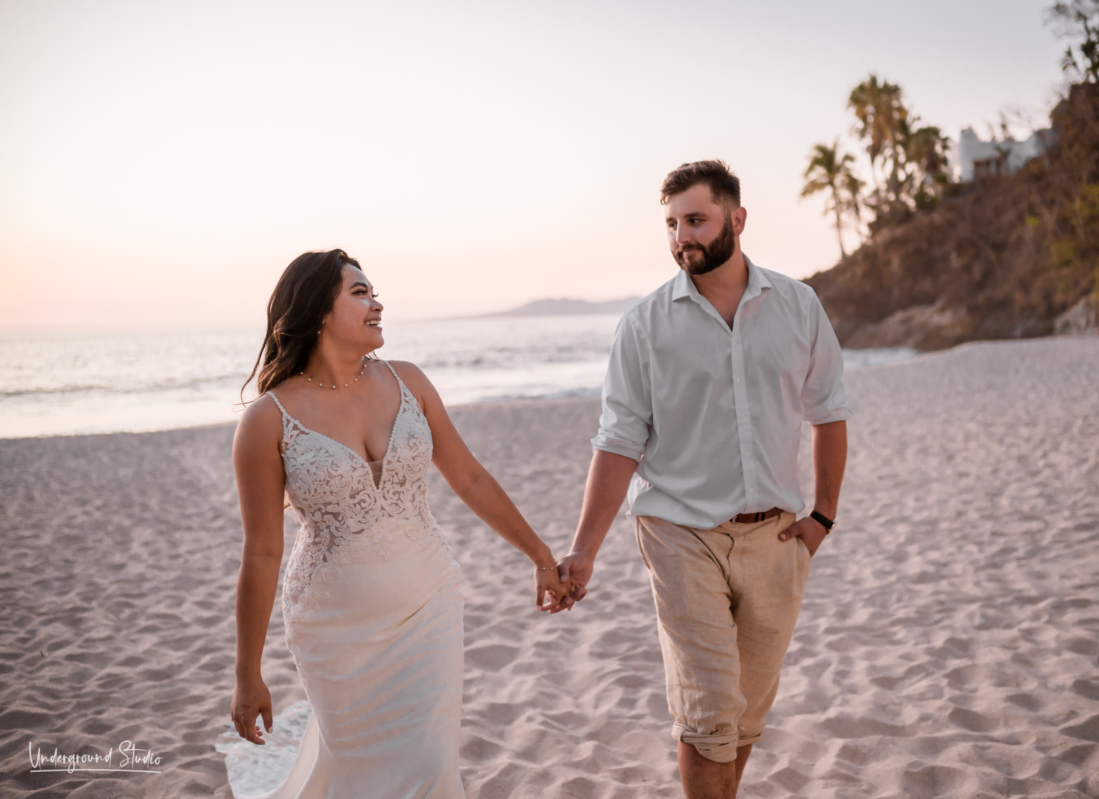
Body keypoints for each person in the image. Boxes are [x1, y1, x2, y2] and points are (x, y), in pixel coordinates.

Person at [552, 161, 850, 799]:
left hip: (776, 538)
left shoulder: (798, 306)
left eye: (695, 219)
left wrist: (822, 517)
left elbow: (829, 413)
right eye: (670, 223)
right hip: (680, 531)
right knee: (710, 710)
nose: (681, 235)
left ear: (736, 220)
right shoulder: (643, 325)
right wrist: (584, 548)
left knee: (744, 718)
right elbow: (618, 443)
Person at [229, 249, 568, 798]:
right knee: (361, 778)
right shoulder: (267, 420)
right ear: (317, 311)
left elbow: (471, 479)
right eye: (359, 293)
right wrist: (248, 674)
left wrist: (541, 556)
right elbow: (262, 552)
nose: (377, 303)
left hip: (427, 606)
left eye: (373, 291)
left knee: (431, 770)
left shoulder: (408, 381)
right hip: (334, 631)